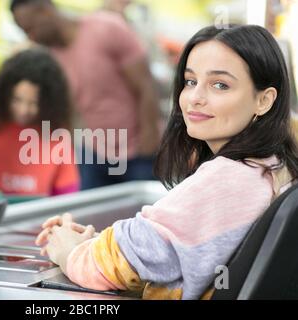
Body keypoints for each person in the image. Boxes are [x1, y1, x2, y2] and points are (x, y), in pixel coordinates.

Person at [34, 25, 298, 300]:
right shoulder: (273, 166)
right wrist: (95, 243)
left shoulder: (229, 177)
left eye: (220, 85)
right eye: (190, 81)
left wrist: (69, 250)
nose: (195, 98)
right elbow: (162, 253)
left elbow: (112, 265)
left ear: (264, 100)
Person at [10, 0, 162, 190]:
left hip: (137, 151)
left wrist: (148, 138)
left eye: (30, 28)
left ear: (45, 12)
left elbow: (145, 84)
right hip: (93, 152)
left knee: (142, 216)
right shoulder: (51, 57)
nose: (31, 37)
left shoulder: (106, 28)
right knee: (93, 215)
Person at [0, 49, 80, 197]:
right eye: (16, 100)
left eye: (33, 103)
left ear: (49, 103)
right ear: (5, 95)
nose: (23, 110)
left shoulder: (57, 134)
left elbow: (67, 198)